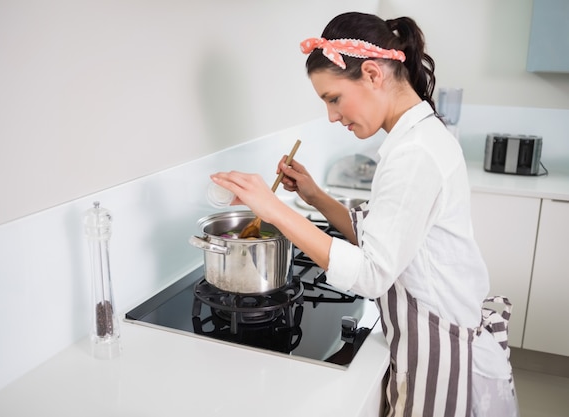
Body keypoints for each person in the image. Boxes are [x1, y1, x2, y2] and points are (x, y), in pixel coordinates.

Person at [210, 11, 519, 417]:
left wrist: (275, 211)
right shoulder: (414, 137)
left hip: (438, 350)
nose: (332, 116)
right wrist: (315, 196)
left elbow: (373, 271)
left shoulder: (415, 154)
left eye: (333, 99)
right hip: (430, 337)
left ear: (373, 74)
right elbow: (383, 235)